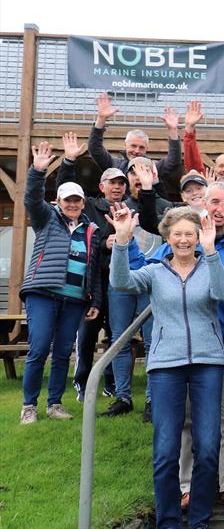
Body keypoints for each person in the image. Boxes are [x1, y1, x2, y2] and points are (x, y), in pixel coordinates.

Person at [108, 204, 224, 529]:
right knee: (166, 449)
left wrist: (211, 252)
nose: (183, 239)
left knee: (207, 448)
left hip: (207, 363)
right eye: (177, 233)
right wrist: (122, 242)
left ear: (198, 236)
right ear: (167, 236)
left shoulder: (209, 266)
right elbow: (121, 282)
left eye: (189, 234)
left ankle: (200, 520)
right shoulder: (155, 271)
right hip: (165, 365)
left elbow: (223, 292)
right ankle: (168, 522)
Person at [146, 182, 224, 511]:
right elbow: (151, 271)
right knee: (186, 418)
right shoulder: (184, 241)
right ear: (202, 206)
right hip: (184, 343)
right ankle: (187, 486)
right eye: (213, 202)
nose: (219, 208)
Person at [19, 141, 103, 425]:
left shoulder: (91, 229)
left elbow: (94, 269)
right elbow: (31, 198)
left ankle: (54, 403)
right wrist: (37, 171)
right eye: (67, 200)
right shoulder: (46, 218)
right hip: (42, 293)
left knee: (63, 353)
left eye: (77, 200)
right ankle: (29, 405)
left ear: (82, 203)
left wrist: (95, 300)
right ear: (58, 201)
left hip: (75, 299)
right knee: (40, 348)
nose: (72, 204)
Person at [57, 132, 121, 401]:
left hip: (119, 283)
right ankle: (82, 383)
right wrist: (69, 161)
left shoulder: (129, 210)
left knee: (117, 335)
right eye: (112, 183)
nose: (117, 187)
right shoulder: (90, 207)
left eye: (121, 183)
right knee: (87, 335)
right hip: (92, 282)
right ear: (101, 186)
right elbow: (64, 189)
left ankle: (112, 383)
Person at [89, 92, 183, 180]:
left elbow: (174, 161)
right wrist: (101, 119)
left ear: (147, 149)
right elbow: (95, 150)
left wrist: (173, 130)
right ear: (125, 145)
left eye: (141, 147)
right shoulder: (115, 165)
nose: (137, 151)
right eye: (133, 146)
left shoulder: (153, 167)